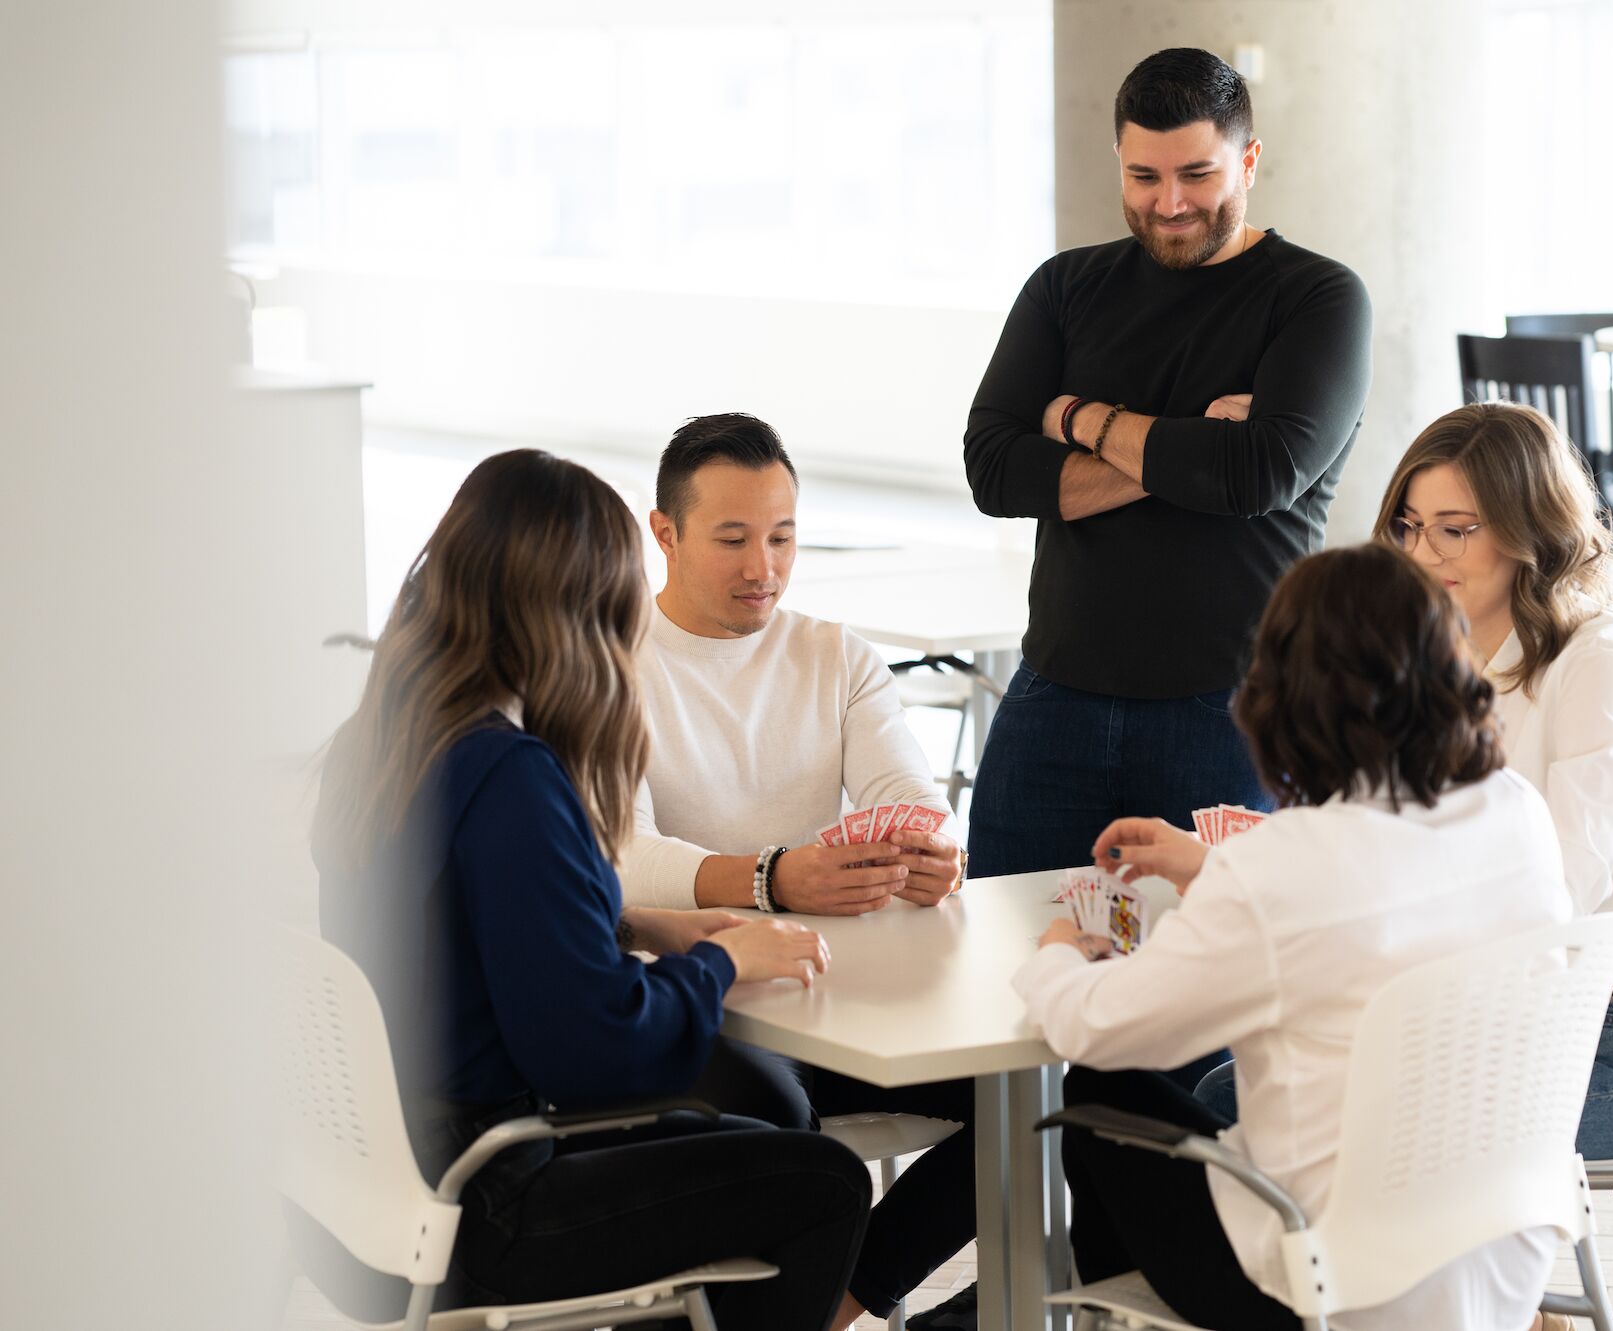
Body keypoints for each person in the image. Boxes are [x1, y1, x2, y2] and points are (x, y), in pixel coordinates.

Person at [309, 449, 866, 1329]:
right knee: (821, 1178)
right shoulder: (511, 776)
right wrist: (719, 961)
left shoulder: (388, 738)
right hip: (486, 1198)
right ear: (576, 611)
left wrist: (642, 922)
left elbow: (461, 925)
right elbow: (595, 1051)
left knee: (752, 1141)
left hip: (372, 1180)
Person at [1012, 543, 1573, 1331]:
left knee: (1102, 1094)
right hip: (1500, 1256)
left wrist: (1058, 954)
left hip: (1332, 1281)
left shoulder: (1287, 864)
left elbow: (1093, 1025)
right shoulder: (1514, 809)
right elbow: (1365, 913)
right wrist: (1215, 869)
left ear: (1286, 695)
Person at [962, 46, 1372, 884]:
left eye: (1197, 173)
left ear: (1248, 161)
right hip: (1053, 697)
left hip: (1233, 713)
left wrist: (1075, 418)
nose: (1170, 203)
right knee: (1006, 952)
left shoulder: (1319, 299)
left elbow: (1257, 475)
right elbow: (995, 469)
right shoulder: (1064, 288)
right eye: (1143, 177)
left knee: (1216, 987)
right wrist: (1192, 441)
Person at [618, 412, 978, 1331]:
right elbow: (618, 857)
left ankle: (841, 1305)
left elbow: (912, 794)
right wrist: (772, 877)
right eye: (733, 539)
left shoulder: (836, 654)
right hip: (701, 1002)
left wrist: (935, 851)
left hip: (837, 998)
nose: (763, 568)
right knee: (784, 1136)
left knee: (1053, 1093)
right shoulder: (612, 662)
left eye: (783, 537)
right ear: (664, 533)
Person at [1375, 401, 1613, 1167]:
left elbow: (1559, 899)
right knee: (1237, 1095)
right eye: (1409, 524)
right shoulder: (1440, 657)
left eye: (1456, 527)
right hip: (1505, 1012)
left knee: (1304, 1120)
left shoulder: (1599, 662)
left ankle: (1440, 1288)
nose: (1424, 551)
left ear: (1533, 532)